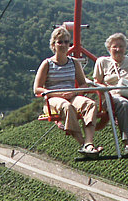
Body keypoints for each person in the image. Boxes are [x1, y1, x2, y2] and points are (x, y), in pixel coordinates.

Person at [33, 26, 102, 156]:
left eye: (66, 42)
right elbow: (37, 88)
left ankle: (89, 142)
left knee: (90, 104)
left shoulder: (74, 63)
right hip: (53, 99)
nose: (64, 45)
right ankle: (82, 143)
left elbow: (83, 83)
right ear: (53, 45)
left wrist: (74, 92)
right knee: (66, 106)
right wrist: (56, 93)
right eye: (60, 42)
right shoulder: (47, 64)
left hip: (71, 95)